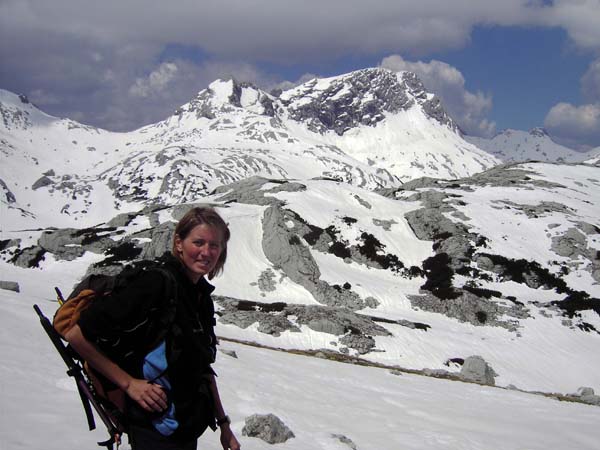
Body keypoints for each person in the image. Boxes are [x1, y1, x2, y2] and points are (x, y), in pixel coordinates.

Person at [65, 206, 241, 450]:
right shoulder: (155, 284)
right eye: (198, 242)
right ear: (179, 243)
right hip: (153, 428)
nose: (206, 252)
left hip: (184, 427)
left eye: (214, 245)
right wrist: (128, 384)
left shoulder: (200, 296)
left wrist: (224, 426)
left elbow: (201, 368)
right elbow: (76, 336)